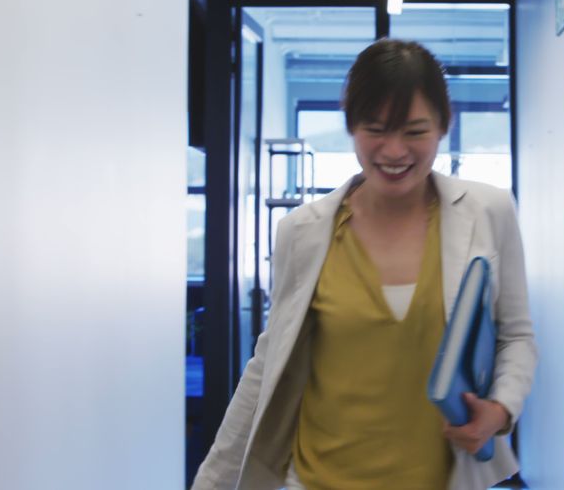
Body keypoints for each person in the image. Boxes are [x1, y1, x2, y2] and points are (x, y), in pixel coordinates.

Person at [191, 39, 537, 490]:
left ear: (443, 126)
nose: (394, 151)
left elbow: (516, 336)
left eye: (414, 132)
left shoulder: (489, 211)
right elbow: (267, 365)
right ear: (351, 126)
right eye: (375, 129)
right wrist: (213, 481)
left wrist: (501, 408)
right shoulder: (304, 231)